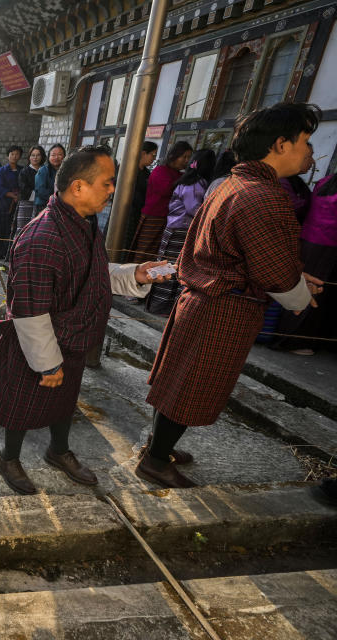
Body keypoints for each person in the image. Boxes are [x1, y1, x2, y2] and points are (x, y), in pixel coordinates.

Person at [141, 102, 325, 489]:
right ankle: (156, 461)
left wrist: (294, 276)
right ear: (279, 144)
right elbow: (274, 271)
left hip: (202, 300)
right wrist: (299, 293)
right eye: (305, 142)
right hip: (224, 308)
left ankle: (156, 448)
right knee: (191, 388)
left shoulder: (230, 183)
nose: (310, 152)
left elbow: (249, 251)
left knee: (177, 383)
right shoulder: (263, 194)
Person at [0, 145, 170, 494]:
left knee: (65, 400)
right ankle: (9, 457)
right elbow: (30, 310)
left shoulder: (83, 224)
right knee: (22, 403)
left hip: (74, 336)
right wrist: (48, 364)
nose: (112, 190)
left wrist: (135, 275)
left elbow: (92, 272)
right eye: (107, 183)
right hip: (39, 342)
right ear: (78, 187)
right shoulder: (41, 237)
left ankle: (58, 450)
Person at [273, 170, 337, 355]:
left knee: (302, 287)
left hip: (308, 240)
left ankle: (285, 336)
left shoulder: (324, 182)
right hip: (328, 245)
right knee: (315, 292)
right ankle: (294, 341)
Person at [146, 149, 216, 316]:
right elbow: (194, 209)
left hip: (176, 230)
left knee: (169, 266)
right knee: (171, 267)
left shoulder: (189, 181)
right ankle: (160, 306)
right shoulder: (194, 184)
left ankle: (159, 304)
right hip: (180, 230)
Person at [128, 141, 192, 264]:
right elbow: (167, 190)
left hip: (167, 220)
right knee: (143, 251)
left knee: (155, 254)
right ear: (174, 156)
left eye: (188, 157)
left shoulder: (179, 174)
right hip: (153, 217)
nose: (186, 160)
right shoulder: (160, 171)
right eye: (184, 157)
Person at [123, 141, 159, 254]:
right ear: (143, 153)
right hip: (125, 213)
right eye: (153, 155)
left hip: (139, 214)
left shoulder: (147, 173)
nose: (154, 159)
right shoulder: (128, 170)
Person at [0, 145, 23, 258]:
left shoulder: (22, 170)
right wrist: (12, 195)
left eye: (17, 154)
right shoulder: (2, 171)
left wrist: (19, 195)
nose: (14, 156)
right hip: (4, 204)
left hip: (18, 203)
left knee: (15, 227)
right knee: (2, 227)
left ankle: (11, 252)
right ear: (8, 156)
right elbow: (0, 188)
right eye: (12, 154)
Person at [280, 142, 314, 223]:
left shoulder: (295, 179)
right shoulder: (281, 181)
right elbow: (297, 209)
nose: (312, 161)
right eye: (309, 156)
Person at [33, 144, 66, 213]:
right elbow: (40, 190)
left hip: (62, 207)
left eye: (60, 154)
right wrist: (57, 199)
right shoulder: (43, 170)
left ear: (64, 156)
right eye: (53, 155)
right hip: (43, 207)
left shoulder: (67, 171)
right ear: (49, 157)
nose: (56, 157)